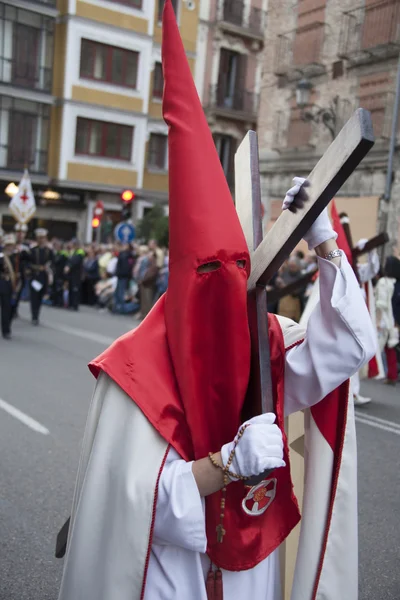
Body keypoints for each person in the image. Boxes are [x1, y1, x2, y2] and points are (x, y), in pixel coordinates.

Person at [57, 4, 376, 600]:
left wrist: (325, 245)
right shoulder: (133, 370)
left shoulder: (261, 336)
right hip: (164, 577)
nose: (226, 284)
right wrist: (226, 463)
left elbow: (348, 348)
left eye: (236, 267)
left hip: (246, 569)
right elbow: (138, 509)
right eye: (209, 270)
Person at [375, 261, 399, 385]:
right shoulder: (396, 283)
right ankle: (392, 374)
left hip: (383, 319)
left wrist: (378, 321)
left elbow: (381, 304)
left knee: (377, 346)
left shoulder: (383, 282)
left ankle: (375, 371)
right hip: (393, 320)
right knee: (391, 348)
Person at [28, 228, 54, 325]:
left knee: (40, 297)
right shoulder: (32, 250)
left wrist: (48, 268)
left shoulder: (49, 251)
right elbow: (28, 263)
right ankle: (34, 316)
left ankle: (37, 314)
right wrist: (36, 268)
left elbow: (53, 262)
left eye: (43, 238)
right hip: (34, 276)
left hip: (44, 277)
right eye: (39, 238)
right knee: (34, 296)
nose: (41, 240)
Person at [0, 234, 16, 340]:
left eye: (11, 245)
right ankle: (6, 330)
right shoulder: (1, 256)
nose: (10, 247)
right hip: (2, 283)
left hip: (12, 285)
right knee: (5, 307)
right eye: (8, 245)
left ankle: (7, 328)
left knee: (10, 308)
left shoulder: (16, 257)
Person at [65, 239, 85, 311]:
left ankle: (75, 305)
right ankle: (70, 304)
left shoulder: (80, 252)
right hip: (72, 274)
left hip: (77, 274)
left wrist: (69, 266)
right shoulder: (73, 252)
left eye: (73, 244)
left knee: (75, 289)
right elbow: (69, 260)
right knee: (71, 288)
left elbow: (75, 261)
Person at [52, 240, 68, 307]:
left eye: (58, 246)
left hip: (61, 274)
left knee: (59, 289)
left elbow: (56, 261)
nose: (56, 247)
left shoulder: (63, 254)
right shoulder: (58, 253)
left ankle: (59, 302)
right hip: (56, 273)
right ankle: (55, 302)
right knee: (55, 288)